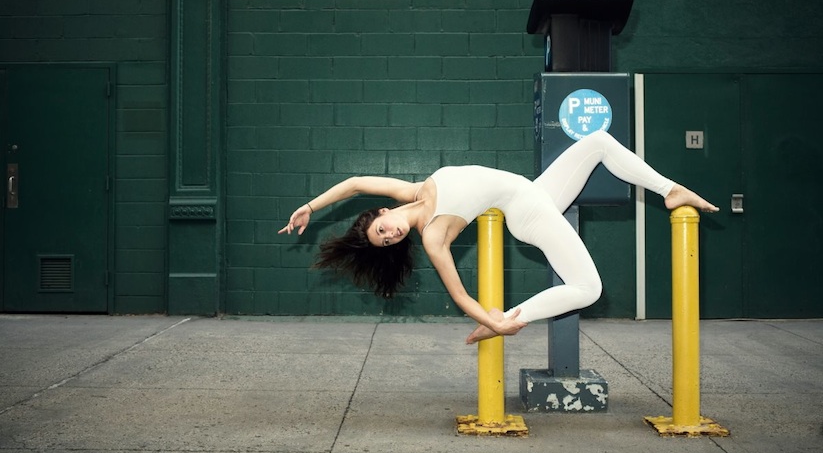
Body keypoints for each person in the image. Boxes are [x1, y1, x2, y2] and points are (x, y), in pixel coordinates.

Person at [279, 130, 718, 344]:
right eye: (389, 242)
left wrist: (311, 207)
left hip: (534, 190)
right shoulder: (434, 236)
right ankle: (511, 317)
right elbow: (460, 296)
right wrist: (491, 321)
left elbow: (355, 182)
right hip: (526, 212)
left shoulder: (411, 191)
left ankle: (668, 188)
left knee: (598, 141)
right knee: (590, 288)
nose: (392, 235)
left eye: (382, 230)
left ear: (382, 213)